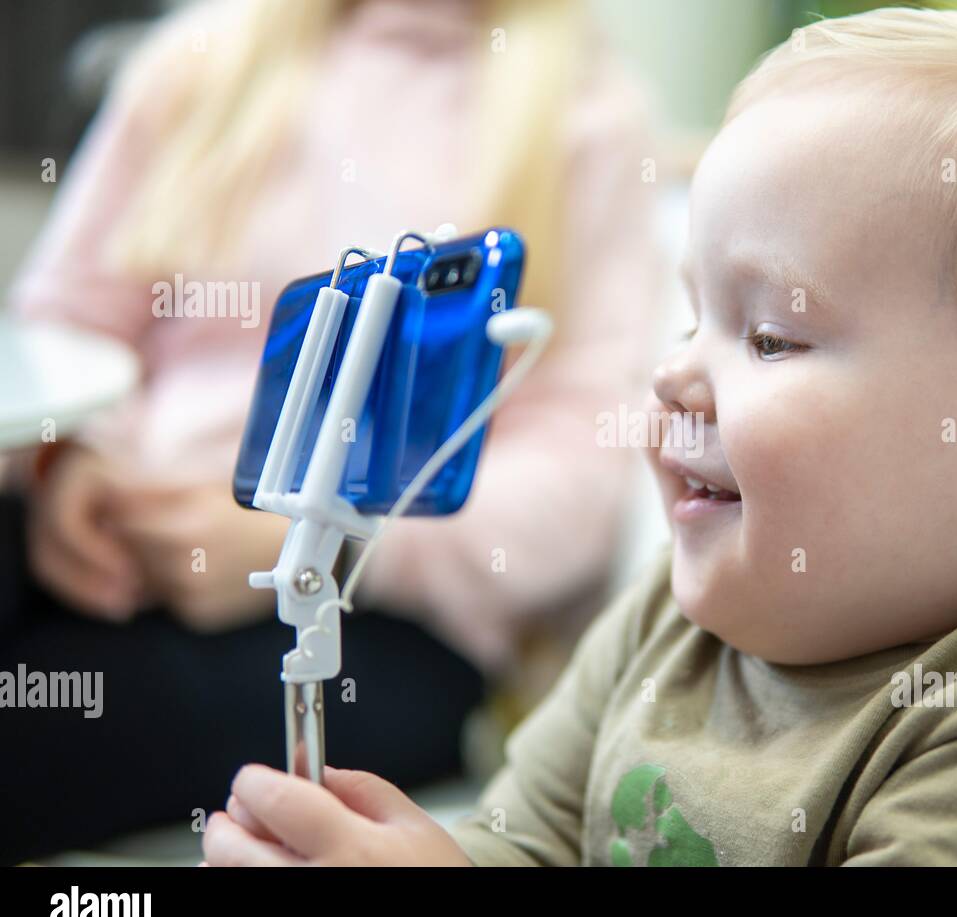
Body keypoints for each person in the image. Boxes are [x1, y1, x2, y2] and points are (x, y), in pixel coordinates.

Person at [203, 5, 957, 865]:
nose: (675, 370)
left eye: (770, 335)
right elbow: (526, 842)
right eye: (692, 315)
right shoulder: (673, 620)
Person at [0, 0, 659, 864]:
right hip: (122, 538)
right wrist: (68, 460)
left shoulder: (583, 116)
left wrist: (311, 543)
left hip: (383, 618)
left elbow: (574, 484)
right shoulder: (197, 58)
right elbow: (62, 328)